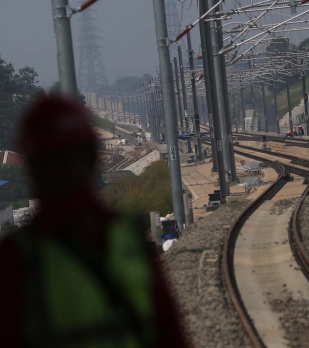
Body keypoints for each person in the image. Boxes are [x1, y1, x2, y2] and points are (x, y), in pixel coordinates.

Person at [0, 95, 191, 347]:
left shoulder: (16, 255)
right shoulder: (128, 233)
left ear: (32, 167)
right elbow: (168, 330)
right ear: (91, 158)